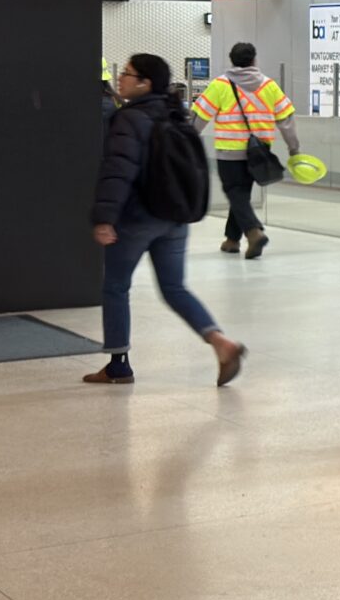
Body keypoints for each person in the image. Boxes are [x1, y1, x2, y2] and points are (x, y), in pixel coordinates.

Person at [90, 52, 246, 388]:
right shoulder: (176, 113)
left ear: (145, 83)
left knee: (116, 287)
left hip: (136, 219)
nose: (121, 79)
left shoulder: (129, 119)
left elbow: (118, 172)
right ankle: (221, 343)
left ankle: (118, 366)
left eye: (128, 74)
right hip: (173, 217)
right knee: (174, 287)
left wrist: (104, 217)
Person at [192, 41, 301, 259]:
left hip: (229, 151)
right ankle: (232, 240)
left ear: (232, 60)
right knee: (241, 194)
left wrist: (186, 143)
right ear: (254, 60)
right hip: (259, 152)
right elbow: (286, 120)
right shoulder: (269, 85)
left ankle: (253, 231)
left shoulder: (220, 85)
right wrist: (294, 148)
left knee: (235, 192)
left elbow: (199, 117)